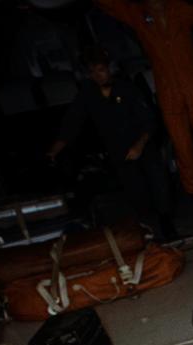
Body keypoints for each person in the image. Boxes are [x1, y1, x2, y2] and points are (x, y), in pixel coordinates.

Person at [94, 0, 193, 220]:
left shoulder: (180, 9)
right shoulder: (137, 13)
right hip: (167, 89)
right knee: (182, 145)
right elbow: (111, 5)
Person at [47, 46, 177, 241]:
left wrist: (139, 145)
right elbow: (72, 122)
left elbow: (150, 121)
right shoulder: (88, 95)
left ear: (109, 69)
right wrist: (54, 150)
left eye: (101, 70)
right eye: (92, 72)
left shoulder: (127, 88)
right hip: (119, 152)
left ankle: (167, 225)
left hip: (144, 145)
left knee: (158, 184)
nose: (98, 75)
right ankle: (149, 232)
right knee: (136, 192)